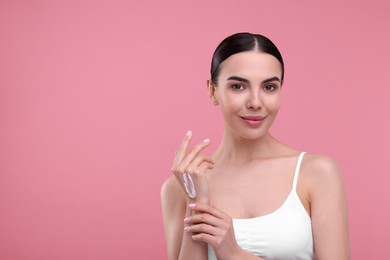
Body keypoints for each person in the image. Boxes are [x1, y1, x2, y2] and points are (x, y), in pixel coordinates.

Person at [161, 32, 350, 260]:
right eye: (238, 87)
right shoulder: (178, 187)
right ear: (213, 91)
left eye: (269, 87)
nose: (255, 103)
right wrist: (196, 202)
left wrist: (234, 253)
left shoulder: (317, 172)